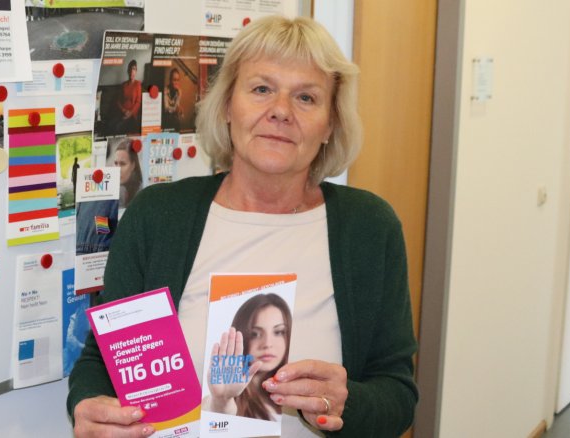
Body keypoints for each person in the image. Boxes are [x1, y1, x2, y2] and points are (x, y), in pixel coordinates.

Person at [68, 15, 417, 438]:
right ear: (228, 106)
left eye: (306, 97)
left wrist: (347, 402)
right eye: (262, 89)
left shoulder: (369, 228)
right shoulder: (158, 216)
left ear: (330, 124)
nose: (281, 111)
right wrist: (88, 405)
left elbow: (397, 392)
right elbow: (102, 362)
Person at [203, 293, 292, 421]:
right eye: (255, 334)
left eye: (278, 332)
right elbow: (217, 411)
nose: (267, 344)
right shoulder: (220, 399)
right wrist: (222, 400)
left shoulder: (291, 390)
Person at [114, 59, 141, 134]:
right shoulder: (124, 85)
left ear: (136, 71)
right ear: (128, 71)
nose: (132, 71)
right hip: (122, 112)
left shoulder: (138, 84)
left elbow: (138, 102)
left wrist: (130, 113)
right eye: (130, 69)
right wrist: (124, 110)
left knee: (118, 127)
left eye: (134, 69)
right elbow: (118, 101)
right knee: (111, 124)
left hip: (132, 115)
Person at [112, 139, 142, 208]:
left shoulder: (141, 192)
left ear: (133, 166)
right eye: (116, 163)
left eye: (122, 164)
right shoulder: (113, 190)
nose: (118, 169)